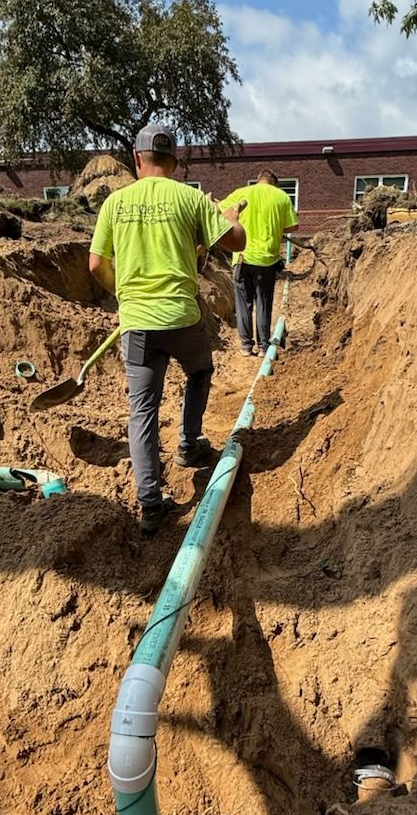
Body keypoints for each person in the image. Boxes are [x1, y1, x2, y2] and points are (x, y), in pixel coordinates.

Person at [89, 124, 246, 535]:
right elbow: (238, 242)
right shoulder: (191, 199)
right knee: (199, 371)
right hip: (180, 316)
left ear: (137, 160)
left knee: (141, 410)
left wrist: (122, 293)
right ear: (175, 163)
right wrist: (228, 218)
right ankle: (188, 444)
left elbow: (95, 264)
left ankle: (150, 505)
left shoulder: (114, 203)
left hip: (136, 324)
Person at [219, 169, 298, 356]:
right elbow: (293, 226)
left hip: (241, 257)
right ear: (274, 183)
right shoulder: (282, 197)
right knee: (263, 302)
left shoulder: (241, 193)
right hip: (267, 260)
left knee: (243, 303)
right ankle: (263, 346)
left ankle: (246, 346)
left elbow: (222, 212)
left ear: (258, 180)